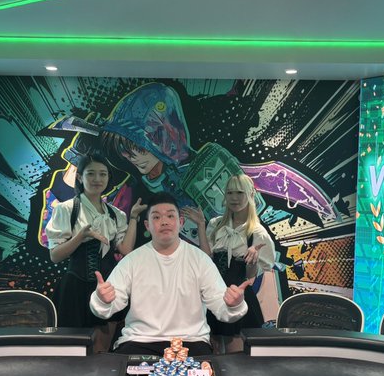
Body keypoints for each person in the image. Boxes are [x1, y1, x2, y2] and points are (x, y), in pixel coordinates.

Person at [90, 192, 250, 356]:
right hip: (139, 340)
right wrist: (102, 299)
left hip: (191, 341)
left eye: (170, 216)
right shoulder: (132, 260)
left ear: (181, 222)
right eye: (156, 217)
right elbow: (108, 306)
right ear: (147, 225)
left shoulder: (200, 260)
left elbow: (221, 307)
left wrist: (234, 305)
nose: (164, 221)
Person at [45, 152, 146, 353]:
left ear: (108, 178)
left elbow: (125, 249)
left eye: (103, 174)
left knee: (102, 348)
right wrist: (80, 237)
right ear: (80, 177)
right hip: (75, 287)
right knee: (73, 351)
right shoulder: (66, 209)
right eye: (91, 174)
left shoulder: (116, 214)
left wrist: (134, 217)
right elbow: (55, 256)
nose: (97, 179)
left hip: (108, 285)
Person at [183, 174, 274, 353]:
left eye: (240, 193)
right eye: (230, 193)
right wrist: (201, 225)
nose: (234, 198)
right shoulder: (216, 225)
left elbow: (250, 277)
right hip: (214, 296)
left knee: (237, 357)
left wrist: (252, 260)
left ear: (250, 194)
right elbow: (207, 259)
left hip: (238, 297)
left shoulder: (258, 233)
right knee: (213, 355)